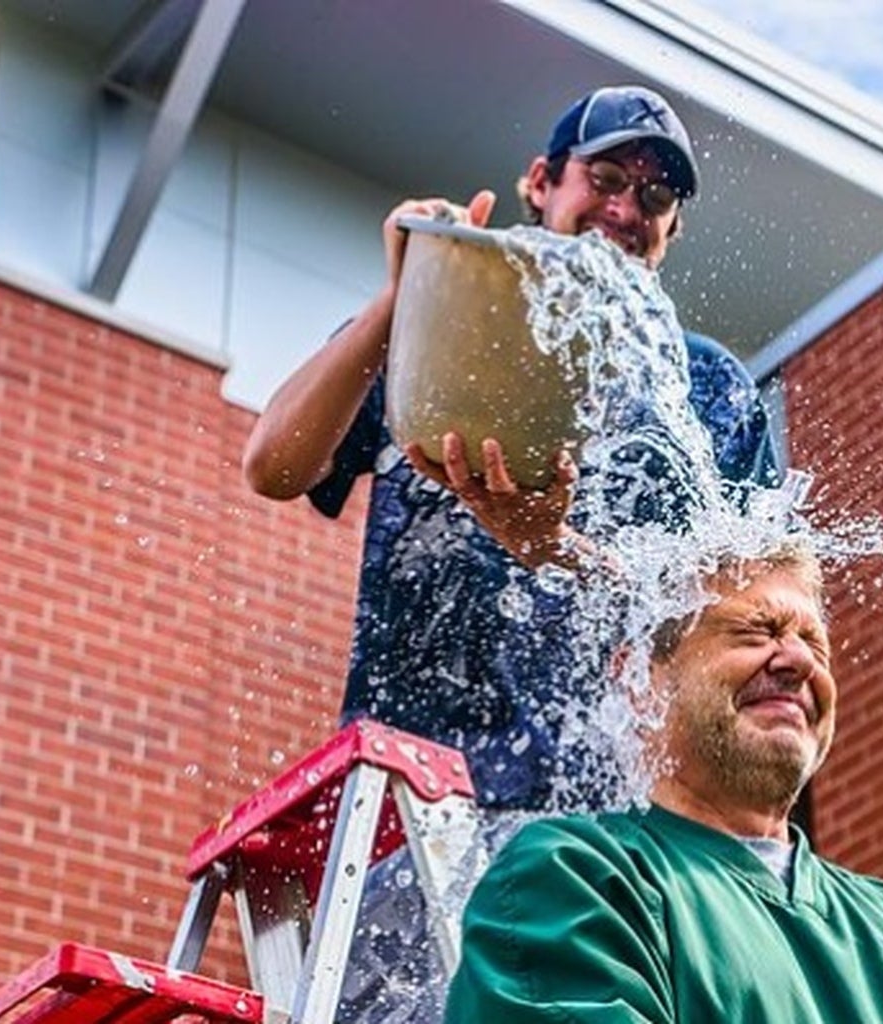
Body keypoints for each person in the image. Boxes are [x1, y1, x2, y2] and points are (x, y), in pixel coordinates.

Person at [241, 84, 780, 813]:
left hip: (623, 806)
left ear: (673, 227)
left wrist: (552, 546)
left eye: (654, 197)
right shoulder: (450, 317)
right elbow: (275, 464)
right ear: (540, 182)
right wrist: (404, 295)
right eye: (607, 179)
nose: (625, 210)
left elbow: (753, 604)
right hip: (420, 792)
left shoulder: (710, 385)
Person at [443, 547, 883, 1022]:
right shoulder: (580, 879)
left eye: (815, 644)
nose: (799, 662)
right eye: (756, 631)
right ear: (638, 682)